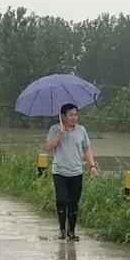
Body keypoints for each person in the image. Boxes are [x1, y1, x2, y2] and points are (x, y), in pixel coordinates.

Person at [44, 103, 98, 241]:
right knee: (61, 200)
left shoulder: (81, 130)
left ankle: (71, 231)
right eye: (71, 115)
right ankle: (62, 230)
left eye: (76, 114)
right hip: (60, 172)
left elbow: (86, 148)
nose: (74, 117)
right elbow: (48, 147)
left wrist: (92, 166)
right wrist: (59, 133)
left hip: (76, 172)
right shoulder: (54, 129)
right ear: (63, 116)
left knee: (74, 203)